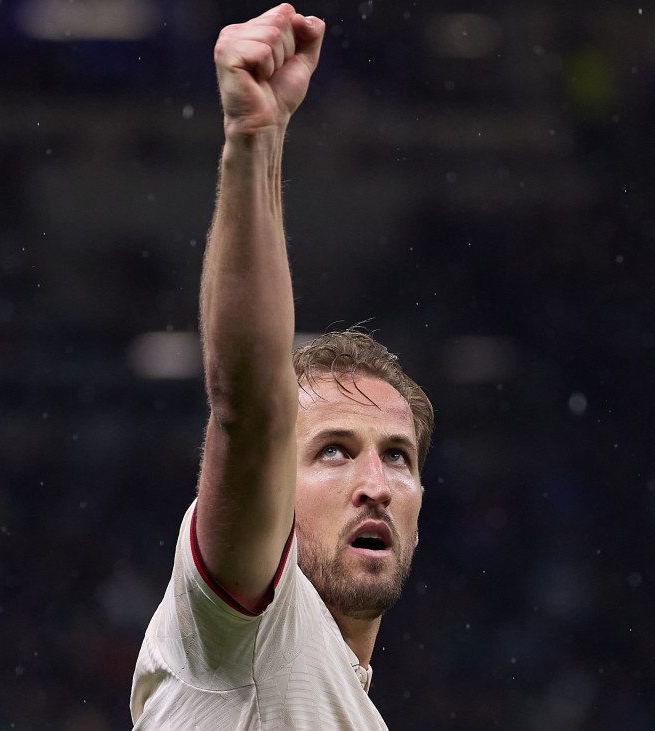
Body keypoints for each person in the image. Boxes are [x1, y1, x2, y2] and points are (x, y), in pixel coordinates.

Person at [130, 5, 434, 728]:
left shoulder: (342, 700)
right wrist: (253, 140)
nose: (375, 487)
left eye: (398, 457)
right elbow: (248, 403)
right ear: (272, 484)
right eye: (333, 450)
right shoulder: (251, 628)